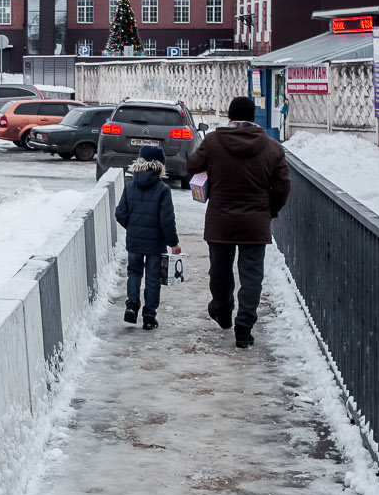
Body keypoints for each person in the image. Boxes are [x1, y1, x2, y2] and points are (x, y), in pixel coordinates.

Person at [184, 95, 292, 349]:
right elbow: (283, 185)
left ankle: (222, 310)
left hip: (220, 220)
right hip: (255, 222)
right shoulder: (272, 147)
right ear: (254, 118)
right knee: (252, 276)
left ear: (229, 117)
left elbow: (190, 166)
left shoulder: (213, 142)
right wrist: (269, 210)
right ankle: (244, 325)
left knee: (220, 272)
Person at [113, 144, 181, 330]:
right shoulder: (163, 190)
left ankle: (132, 306)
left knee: (134, 273)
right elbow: (166, 220)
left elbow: (120, 214)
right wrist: (173, 243)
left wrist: (133, 227)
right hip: (155, 244)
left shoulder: (130, 186)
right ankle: (149, 317)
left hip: (134, 241)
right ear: (161, 166)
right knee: (152, 279)